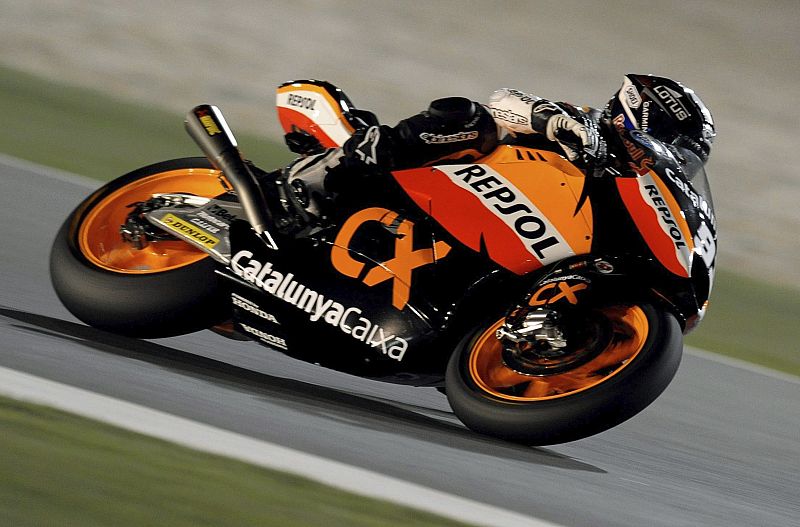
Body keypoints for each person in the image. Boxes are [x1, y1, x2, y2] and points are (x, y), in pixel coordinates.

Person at [281, 74, 715, 225]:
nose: (677, 165)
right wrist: (553, 122)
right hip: (445, 184)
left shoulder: (627, 191)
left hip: (491, 229)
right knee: (471, 119)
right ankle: (326, 175)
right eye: (679, 153)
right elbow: (505, 101)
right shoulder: (580, 123)